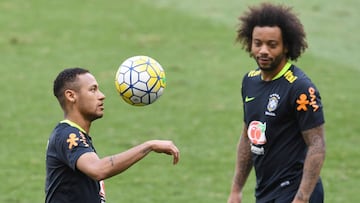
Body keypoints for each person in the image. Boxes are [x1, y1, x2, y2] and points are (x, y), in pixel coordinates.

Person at [228, 3, 326, 203]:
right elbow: (248, 137)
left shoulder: (300, 88)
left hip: (295, 191)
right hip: (266, 191)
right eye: (258, 43)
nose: (263, 51)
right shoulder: (250, 81)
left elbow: (317, 145)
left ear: (286, 46)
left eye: (272, 45)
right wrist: (236, 189)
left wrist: (302, 197)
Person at [45, 67, 180, 203]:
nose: (102, 95)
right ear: (71, 96)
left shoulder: (76, 135)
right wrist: (149, 145)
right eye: (93, 89)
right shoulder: (67, 134)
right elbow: (98, 169)